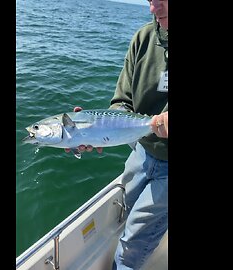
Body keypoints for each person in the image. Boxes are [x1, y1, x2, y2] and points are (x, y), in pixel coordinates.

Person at [66, 0, 168, 269]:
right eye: (150, 1)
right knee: (126, 210)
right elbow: (123, 102)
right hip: (143, 152)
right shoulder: (144, 38)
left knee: (132, 244)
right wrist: (96, 128)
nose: (153, 9)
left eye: (163, 0)